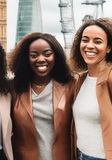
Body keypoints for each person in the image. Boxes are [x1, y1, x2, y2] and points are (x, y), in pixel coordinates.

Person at [69, 18, 112, 160]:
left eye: (97, 41)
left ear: (109, 48)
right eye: (85, 40)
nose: (89, 46)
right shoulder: (81, 80)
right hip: (81, 154)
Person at [9, 32, 74, 160]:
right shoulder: (13, 88)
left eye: (47, 54)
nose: (41, 59)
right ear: (25, 59)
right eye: (33, 55)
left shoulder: (71, 85)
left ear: (56, 56)